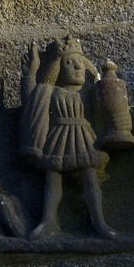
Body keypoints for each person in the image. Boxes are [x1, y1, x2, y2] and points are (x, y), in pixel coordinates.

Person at [19, 36, 114, 240]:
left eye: (80, 62)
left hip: (84, 137)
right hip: (58, 137)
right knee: (52, 179)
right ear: (57, 69)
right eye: (69, 63)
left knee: (90, 179)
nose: (77, 66)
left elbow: (109, 109)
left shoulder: (90, 91)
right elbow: (31, 106)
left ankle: (99, 221)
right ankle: (48, 221)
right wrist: (30, 75)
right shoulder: (49, 91)